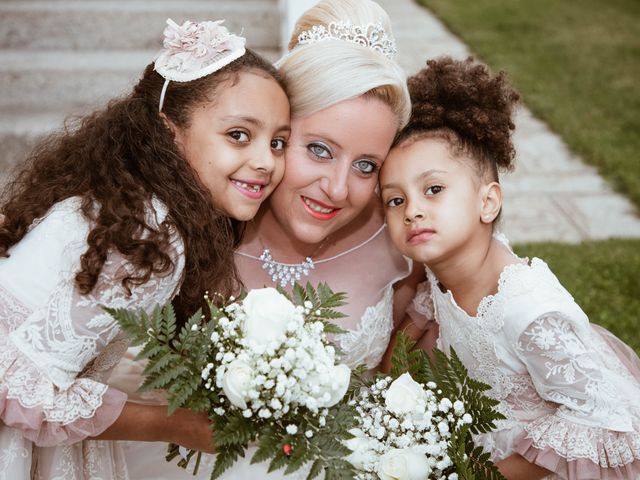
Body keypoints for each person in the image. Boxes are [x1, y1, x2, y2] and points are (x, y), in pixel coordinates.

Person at [110, 1, 428, 478]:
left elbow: (395, 379)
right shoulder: (190, 223)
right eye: (318, 150)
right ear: (273, 135)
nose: (339, 189)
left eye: (367, 165)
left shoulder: (399, 241)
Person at [0, 18, 290, 478]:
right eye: (239, 134)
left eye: (279, 142)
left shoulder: (129, 204)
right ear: (170, 133)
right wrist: (174, 424)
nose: (266, 161)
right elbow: (19, 392)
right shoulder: (151, 237)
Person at [380, 56, 640, 479]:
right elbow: (425, 312)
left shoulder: (529, 313)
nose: (413, 211)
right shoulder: (445, 268)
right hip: (485, 443)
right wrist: (384, 385)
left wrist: (483, 475)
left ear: (488, 201)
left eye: (434, 189)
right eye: (396, 200)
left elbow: (601, 422)